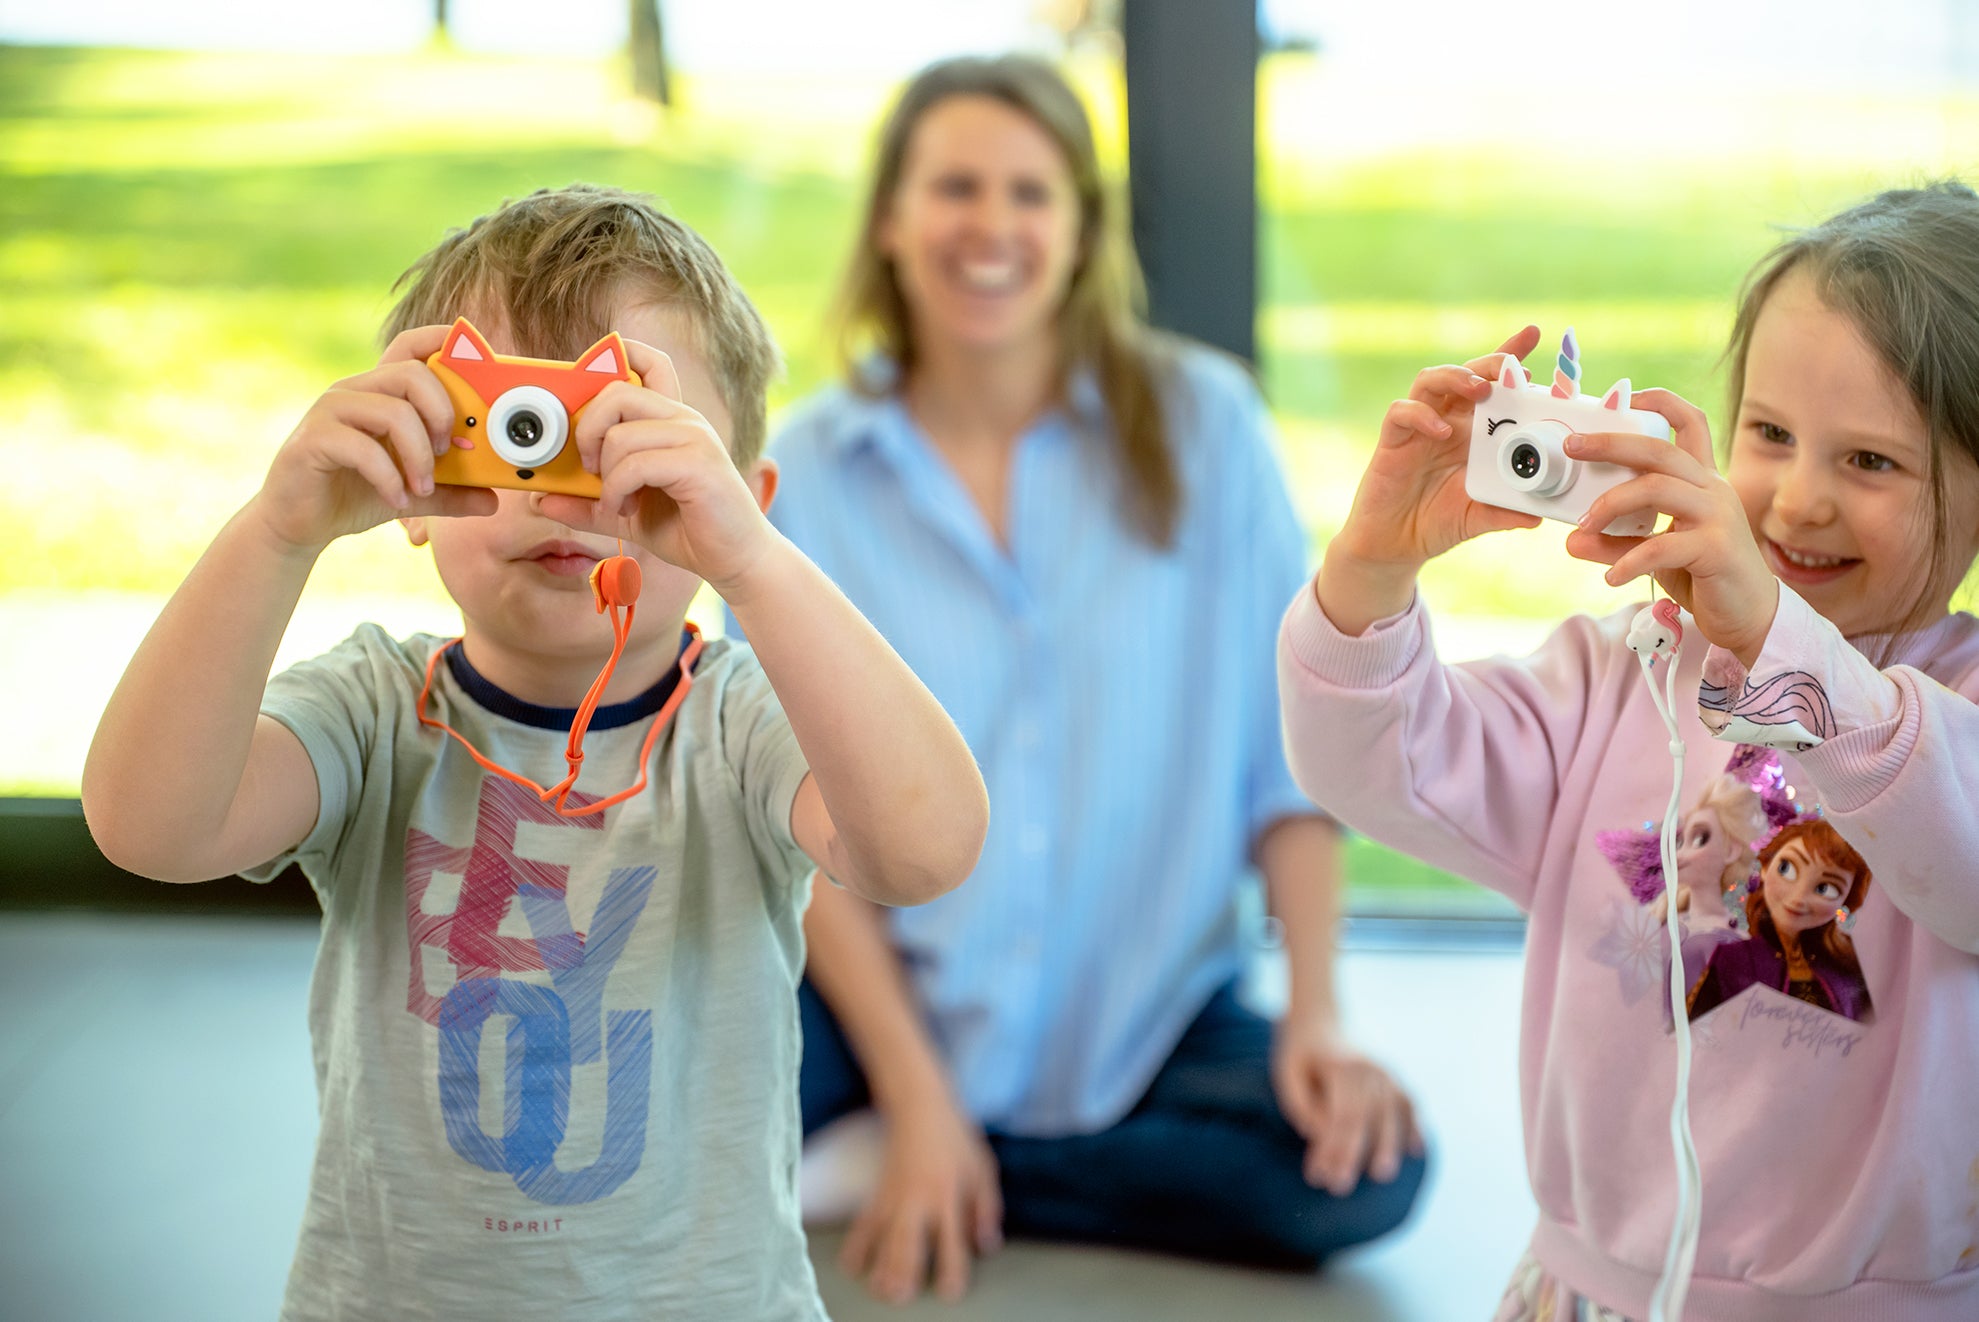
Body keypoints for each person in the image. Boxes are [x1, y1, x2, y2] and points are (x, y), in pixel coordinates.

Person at [80, 184, 989, 1322]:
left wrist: (751, 561)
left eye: (621, 435)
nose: (560, 492)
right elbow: (149, 826)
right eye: (509, 425)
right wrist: (278, 529)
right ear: (414, 494)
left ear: (741, 495)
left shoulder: (739, 721)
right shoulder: (373, 708)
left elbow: (926, 848)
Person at [754, 54, 1423, 1305]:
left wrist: (1315, 1020)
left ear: (1077, 231)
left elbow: (1293, 767)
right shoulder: (811, 471)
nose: (990, 226)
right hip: (880, 1015)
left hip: (1148, 1026)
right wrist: (913, 1091)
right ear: (891, 218)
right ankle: (907, 1134)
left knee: (1366, 1170)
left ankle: (913, 1165)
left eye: (1029, 192)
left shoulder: (1207, 429)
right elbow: (786, 825)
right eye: (954, 186)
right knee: (643, 1115)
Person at [1279, 179, 1979, 1320]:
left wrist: (1769, 639)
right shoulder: (1626, 674)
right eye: (1768, 433)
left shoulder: (1949, 710)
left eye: (1870, 462)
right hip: (1585, 1287)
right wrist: (1369, 569)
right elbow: (1374, 767)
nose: (1796, 500)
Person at [1684, 817, 1873, 1023]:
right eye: (1787, 869)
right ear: (1765, 867)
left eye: (1824, 889)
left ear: (1846, 900)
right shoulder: (1734, 960)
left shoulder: (1846, 968)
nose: (1798, 898)